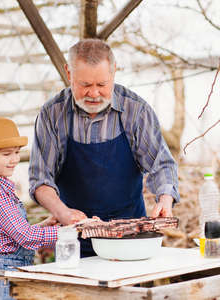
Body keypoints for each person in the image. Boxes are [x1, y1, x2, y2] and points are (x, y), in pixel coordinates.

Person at [29, 38, 180, 257]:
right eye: (85, 85)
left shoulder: (136, 110)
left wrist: (165, 199)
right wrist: (62, 213)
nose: (93, 93)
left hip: (129, 239)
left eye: (101, 85)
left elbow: (161, 164)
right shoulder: (52, 114)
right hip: (74, 239)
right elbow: (40, 179)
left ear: (114, 72)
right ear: (69, 74)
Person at [0, 116, 58, 300]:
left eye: (16, 152)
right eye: (6, 154)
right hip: (3, 277)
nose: (14, 159)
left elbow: (12, 237)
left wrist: (44, 225)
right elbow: (25, 237)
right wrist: (69, 233)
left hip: (7, 273)